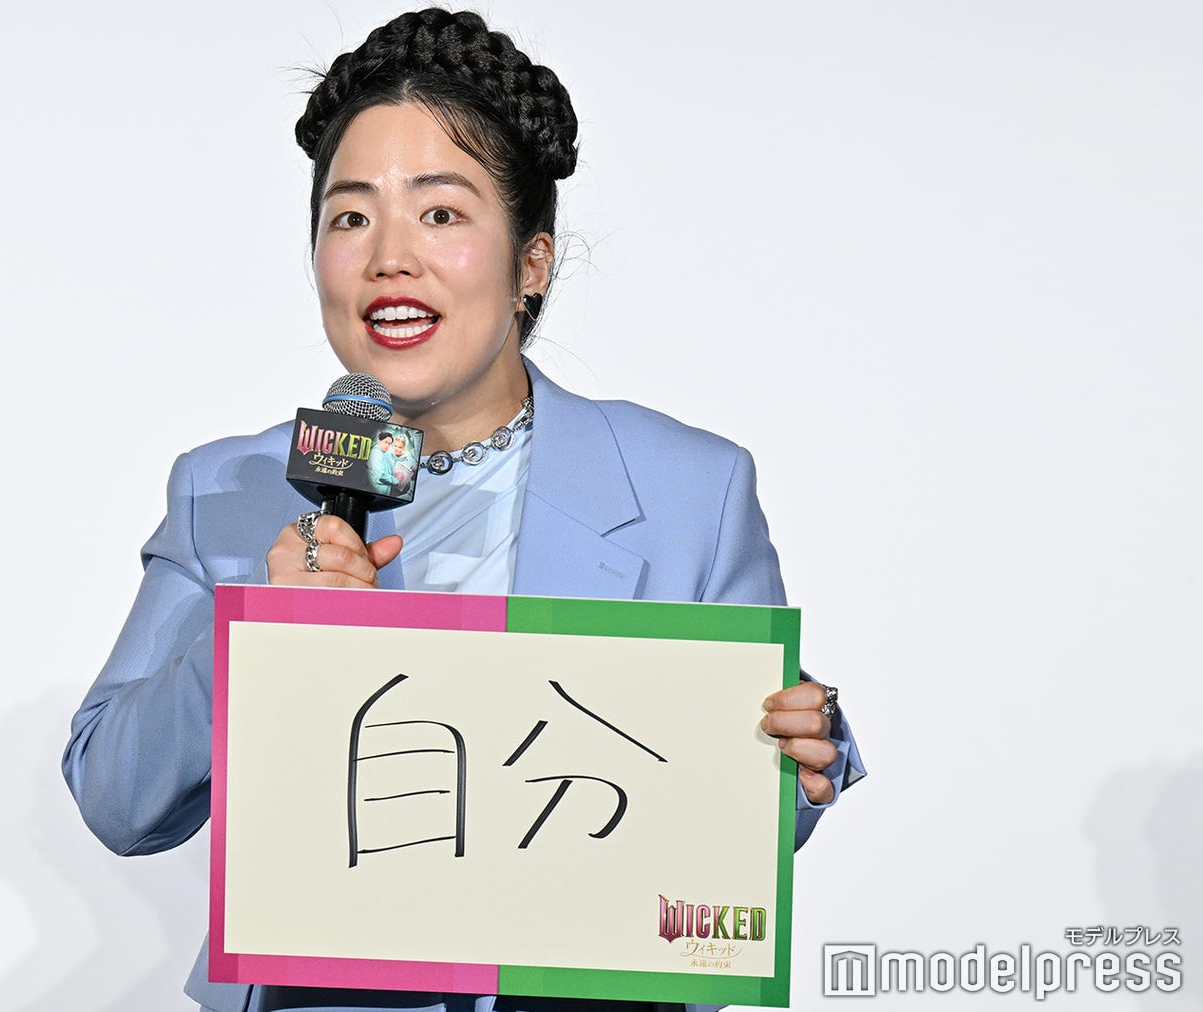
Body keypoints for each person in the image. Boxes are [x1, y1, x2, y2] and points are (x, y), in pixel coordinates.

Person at [63, 9, 865, 1011]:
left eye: (440, 214)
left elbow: (731, 832)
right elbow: (117, 801)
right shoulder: (230, 487)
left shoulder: (689, 488)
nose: (388, 257)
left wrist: (796, 756)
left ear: (531, 263)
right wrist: (253, 638)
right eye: (350, 217)